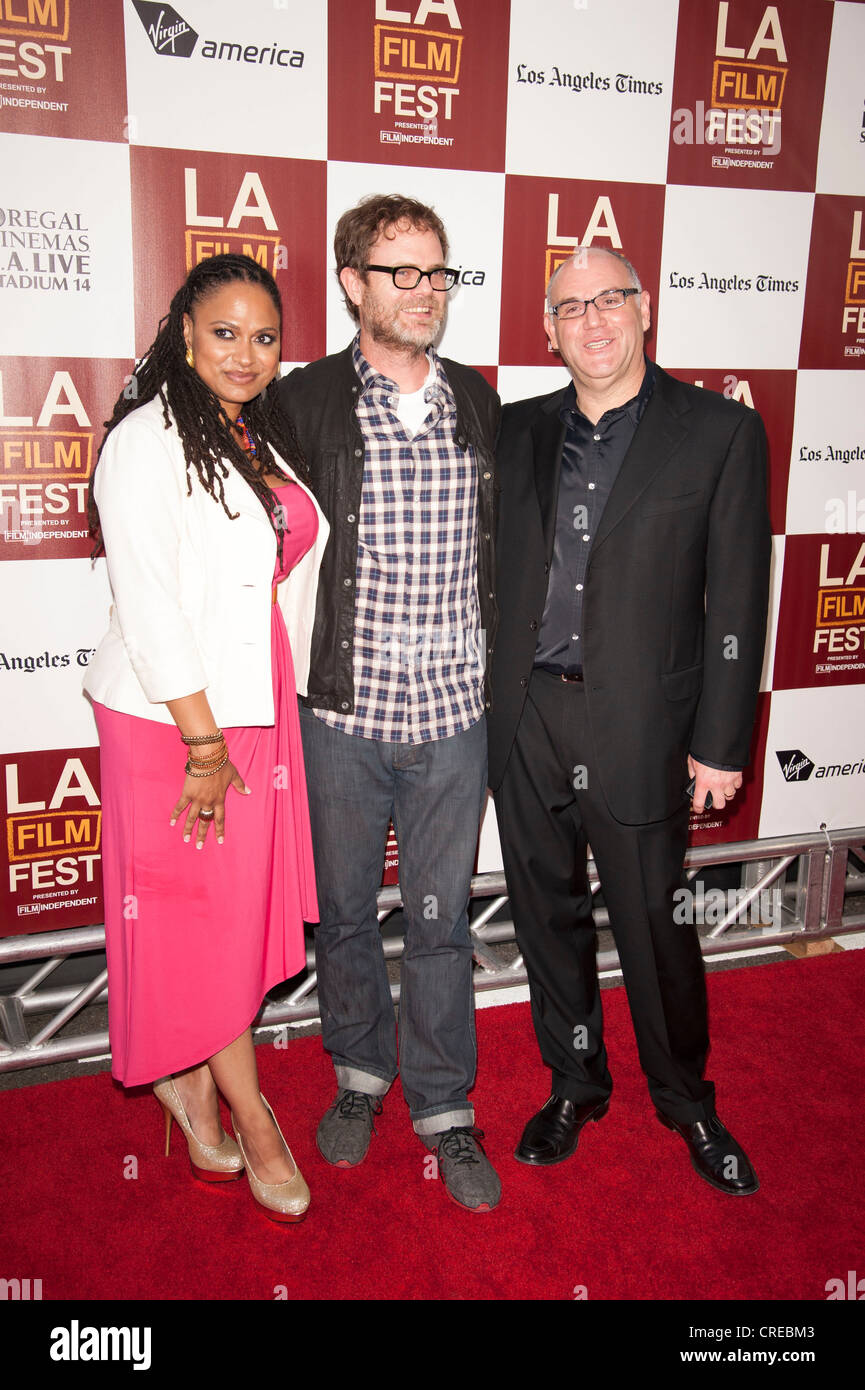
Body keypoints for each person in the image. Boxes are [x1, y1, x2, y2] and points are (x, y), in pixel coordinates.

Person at [487, 246, 771, 1195]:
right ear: (548, 327)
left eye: (610, 300)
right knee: (545, 917)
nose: (593, 321)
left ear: (644, 310)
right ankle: (574, 1082)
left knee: (654, 924)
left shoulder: (719, 432)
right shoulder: (515, 428)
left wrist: (720, 746)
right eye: (570, 307)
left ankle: (687, 1100)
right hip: (526, 717)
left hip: (644, 727)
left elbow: (737, 602)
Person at [84, 253, 328, 1223]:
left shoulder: (246, 435)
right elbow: (145, 604)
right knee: (200, 928)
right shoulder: (147, 441)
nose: (245, 351)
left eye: (263, 336)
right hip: (177, 723)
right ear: (184, 334)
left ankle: (190, 1085)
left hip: (253, 707)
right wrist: (202, 746)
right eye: (224, 331)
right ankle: (251, 1114)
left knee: (222, 926)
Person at [277, 194, 501, 1212]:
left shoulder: (482, 403)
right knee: (347, 918)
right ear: (351, 283)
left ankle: (446, 1108)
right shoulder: (302, 403)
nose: (423, 292)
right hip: (342, 715)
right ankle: (361, 1075)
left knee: (443, 917)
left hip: (454, 714)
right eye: (399, 271)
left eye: (436, 272)